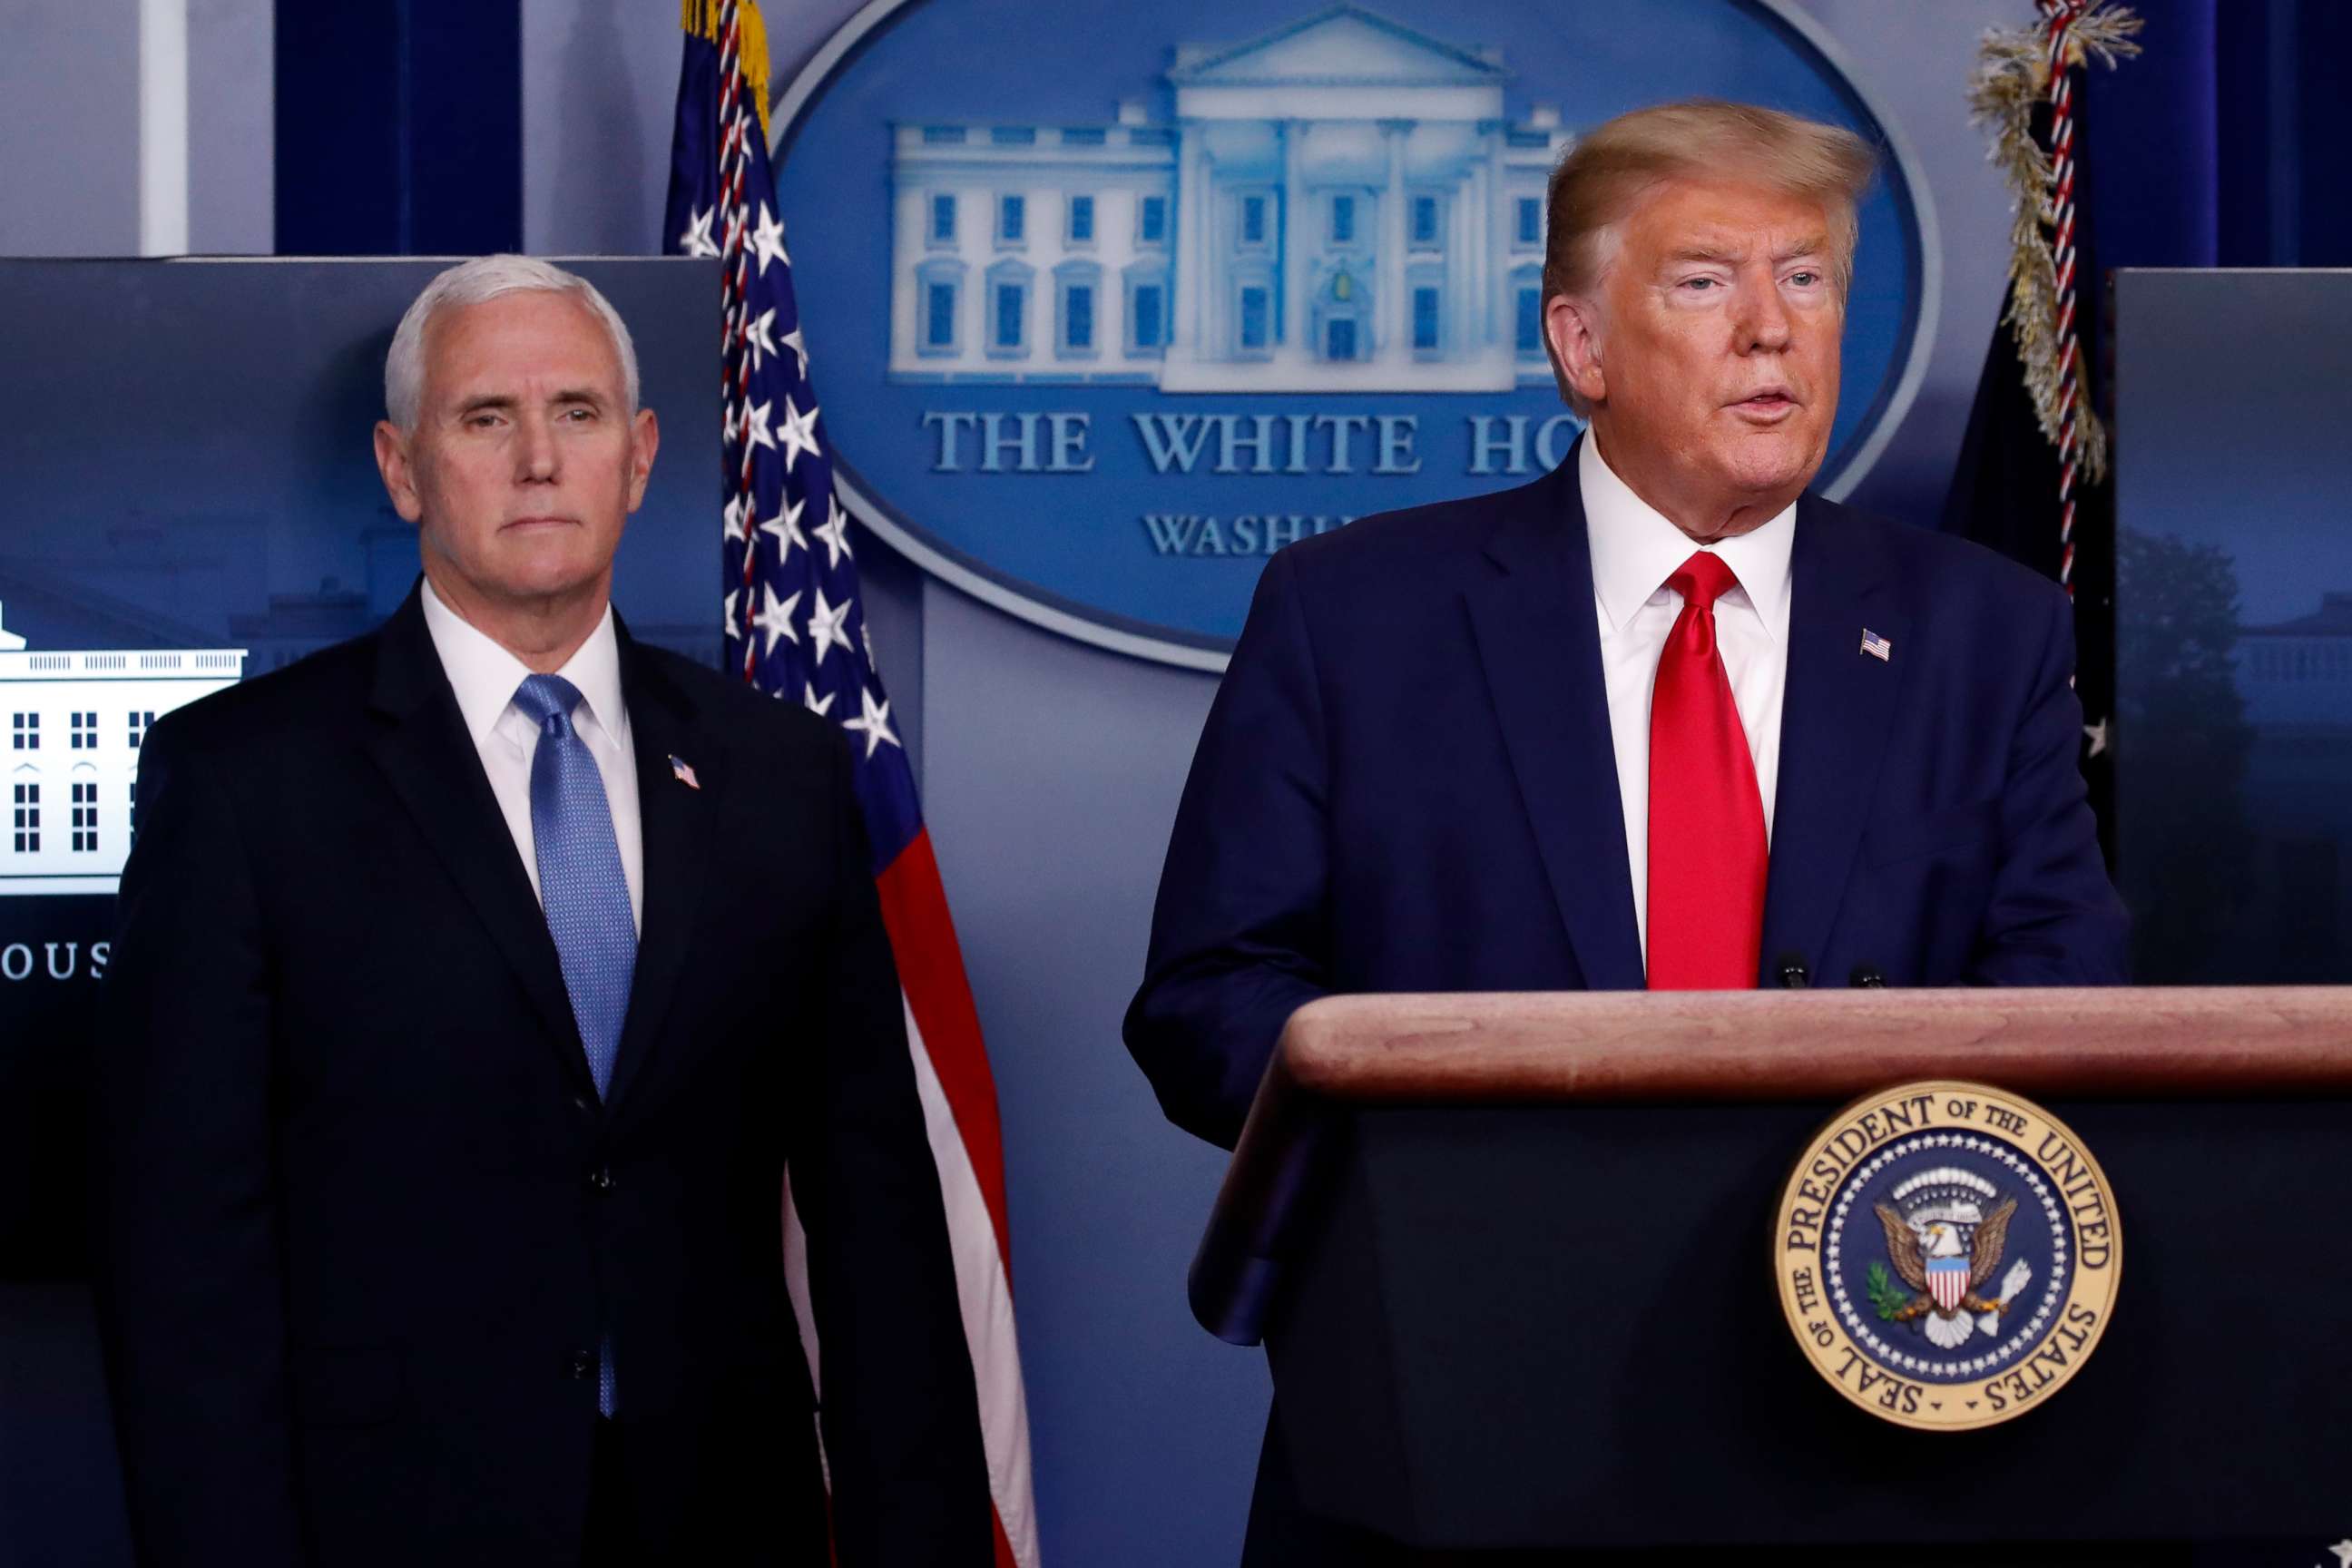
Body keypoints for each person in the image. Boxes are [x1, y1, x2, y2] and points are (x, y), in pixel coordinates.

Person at [1124, 101, 2127, 1560]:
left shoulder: (1988, 633)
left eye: (1809, 279)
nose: (1772, 330)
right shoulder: (1356, 619)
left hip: (1874, 1428)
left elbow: (2069, 993)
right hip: (1460, 1417)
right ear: (1582, 347)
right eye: (1707, 282)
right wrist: (1458, 1150)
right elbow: (1211, 997)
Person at [91, 256, 991, 1567]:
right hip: (388, 1529)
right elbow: (183, 1262)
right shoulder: (241, 783)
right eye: (484, 418)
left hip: (726, 1519)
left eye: (575, 412)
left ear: (638, 458)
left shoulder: (779, 776)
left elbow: (878, 1227)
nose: (536, 461)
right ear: (403, 471)